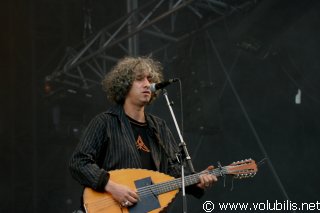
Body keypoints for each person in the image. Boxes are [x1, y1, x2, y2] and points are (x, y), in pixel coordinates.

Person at [69, 56, 217, 212]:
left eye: (149, 79)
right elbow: (79, 162)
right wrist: (112, 187)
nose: (148, 84)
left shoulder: (159, 127)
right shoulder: (104, 122)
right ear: (124, 86)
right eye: (139, 79)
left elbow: (173, 172)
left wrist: (195, 182)